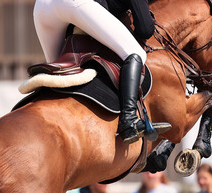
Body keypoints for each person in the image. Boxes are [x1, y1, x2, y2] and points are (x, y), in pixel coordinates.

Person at [33, 0, 163, 143]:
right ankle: (129, 120)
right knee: (135, 53)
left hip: (42, 7)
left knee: (57, 74)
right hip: (73, 3)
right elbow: (145, 29)